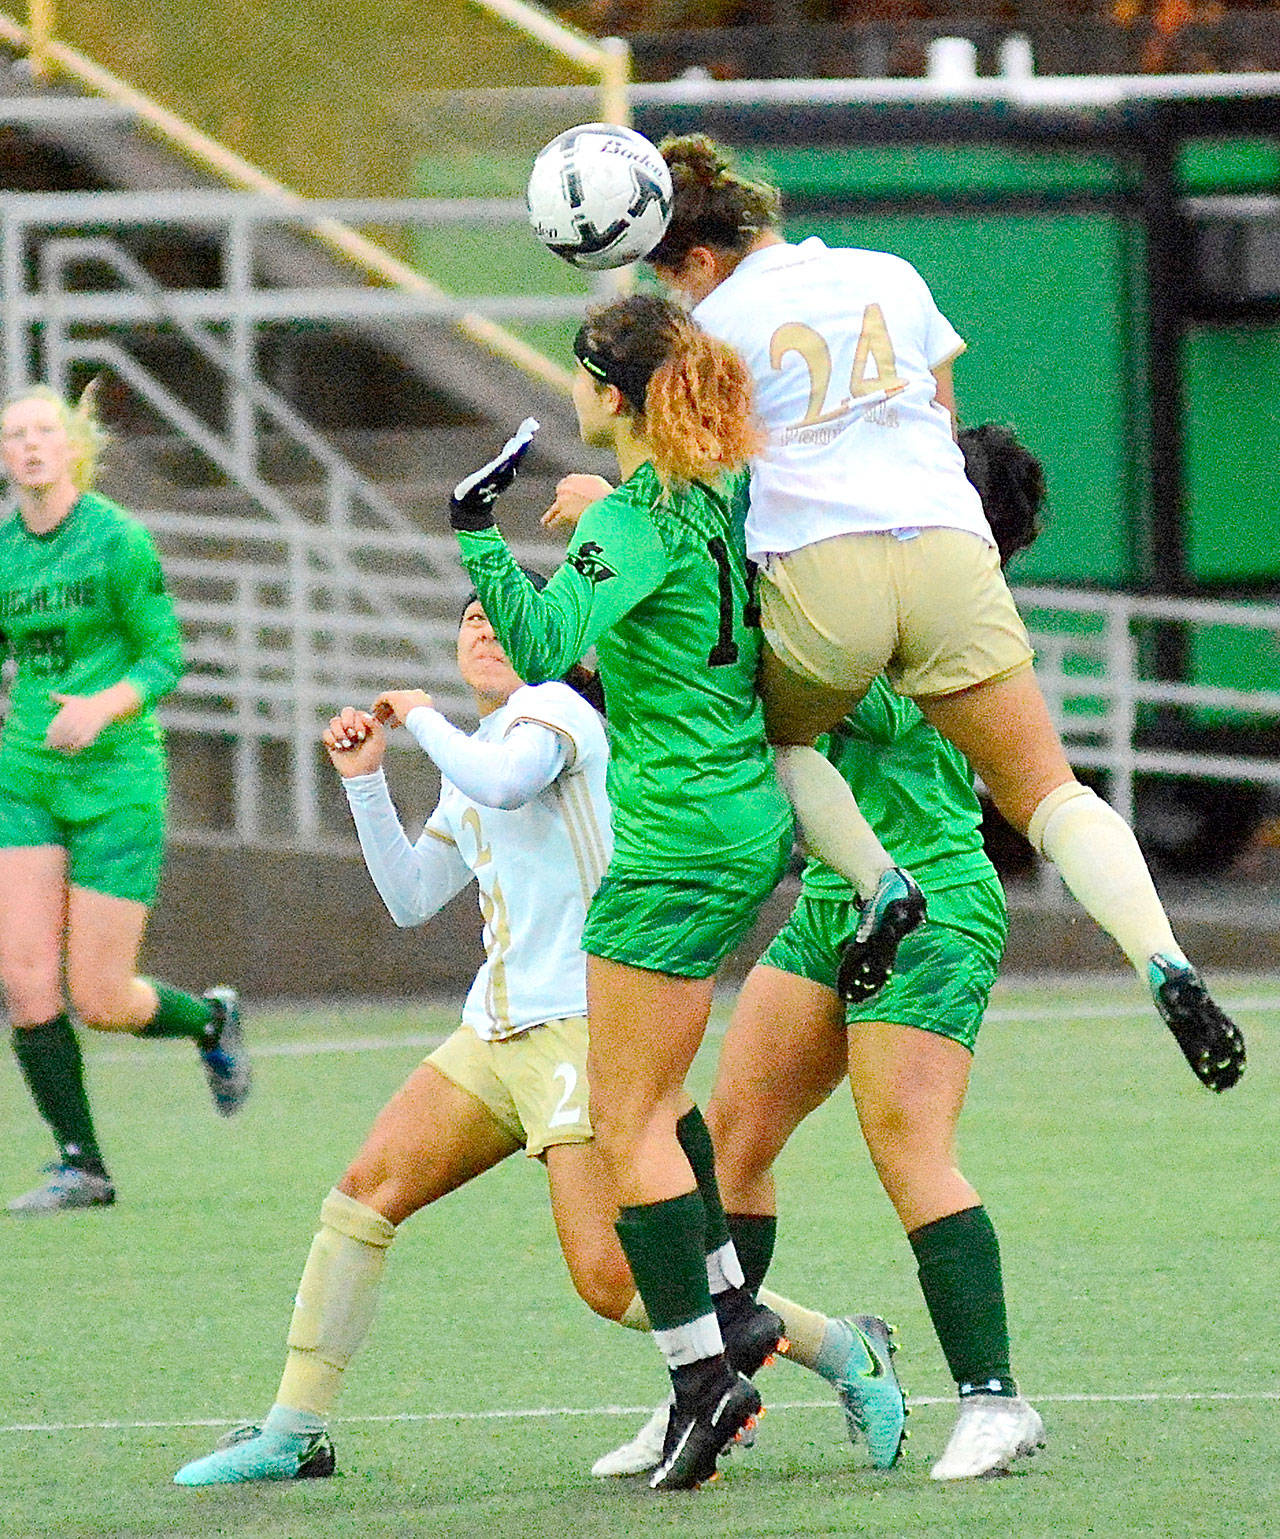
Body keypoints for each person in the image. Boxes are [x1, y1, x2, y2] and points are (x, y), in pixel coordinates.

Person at [173, 588, 904, 1487]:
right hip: (495, 1029)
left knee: (608, 1280)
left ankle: (843, 1349)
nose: (482, 623)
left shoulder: (556, 715)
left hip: (584, 1026)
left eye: (502, 615)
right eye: (470, 615)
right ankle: (297, 1427)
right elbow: (410, 897)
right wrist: (366, 780)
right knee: (363, 1194)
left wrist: (426, 719)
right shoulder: (475, 753)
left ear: (549, 640)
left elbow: (508, 782)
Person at [641, 134, 1244, 1096]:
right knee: (1050, 792)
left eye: (676, 282)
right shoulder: (890, 271)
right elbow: (944, 426)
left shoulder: (711, 330)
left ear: (700, 259)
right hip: (948, 547)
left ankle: (881, 886)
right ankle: (1161, 956)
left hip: (825, 562)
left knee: (767, 734)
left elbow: (707, 486)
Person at [593, 423, 1049, 1483]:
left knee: (904, 1147)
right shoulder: (856, 588)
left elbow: (850, 694)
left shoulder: (955, 623)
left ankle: (994, 1398)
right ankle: (697, 1391)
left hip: (929, 902)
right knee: (736, 1134)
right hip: (833, 902)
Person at [448, 296, 800, 1490]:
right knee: (654, 1093)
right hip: (746, 820)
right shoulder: (716, 490)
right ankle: (730, 1322)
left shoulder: (644, 518)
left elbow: (544, 644)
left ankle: (703, 1376)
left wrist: (475, 531)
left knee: (622, 1119)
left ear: (611, 393)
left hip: (673, 844)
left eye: (582, 377)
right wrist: (605, 508)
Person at [0, 383, 249, 1216]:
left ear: (71, 447)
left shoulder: (118, 541)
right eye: (15, 436)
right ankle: (82, 1165)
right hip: (26, 780)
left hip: (117, 784)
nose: (30, 446)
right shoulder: (4, 548)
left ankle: (209, 1022)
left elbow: (165, 657)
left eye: (43, 431)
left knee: (100, 997)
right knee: (26, 980)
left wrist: (101, 706)